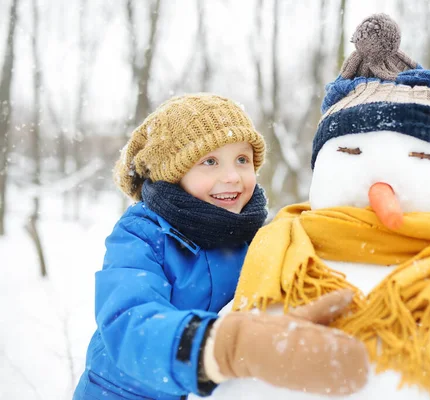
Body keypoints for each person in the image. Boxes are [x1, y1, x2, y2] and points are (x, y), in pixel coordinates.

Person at [73, 93, 369, 400]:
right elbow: (130, 325)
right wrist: (227, 345)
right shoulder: (142, 235)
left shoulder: (258, 236)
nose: (231, 177)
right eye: (209, 161)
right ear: (173, 175)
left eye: (242, 160)